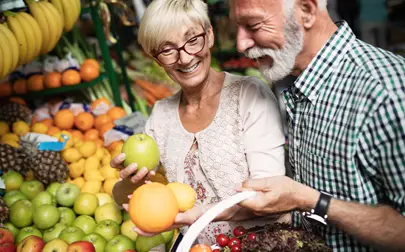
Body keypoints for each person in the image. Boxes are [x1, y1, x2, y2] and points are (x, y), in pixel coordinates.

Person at [230, 0, 405, 251]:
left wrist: (309, 200)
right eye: (238, 27)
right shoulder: (302, 81)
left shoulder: (387, 93)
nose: (241, 43)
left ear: (307, 11)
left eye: (254, 25)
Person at [111, 0, 287, 244]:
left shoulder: (248, 95)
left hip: (262, 245)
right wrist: (129, 182)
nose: (184, 58)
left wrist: (201, 214)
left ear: (210, 35)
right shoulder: (161, 116)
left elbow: (270, 197)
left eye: (193, 40)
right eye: (167, 49)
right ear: (156, 59)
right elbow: (132, 199)